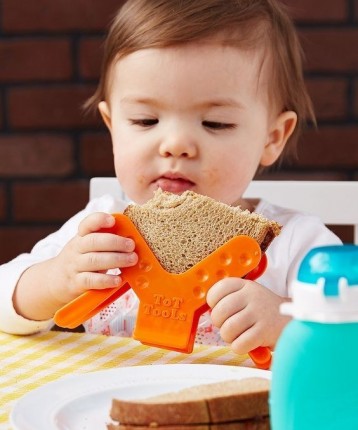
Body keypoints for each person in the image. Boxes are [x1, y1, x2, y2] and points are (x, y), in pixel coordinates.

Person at [0, 0, 341, 356]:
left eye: (215, 123)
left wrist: (287, 321)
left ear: (271, 138)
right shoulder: (100, 230)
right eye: (146, 121)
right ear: (112, 126)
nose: (176, 145)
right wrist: (55, 279)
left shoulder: (297, 245)